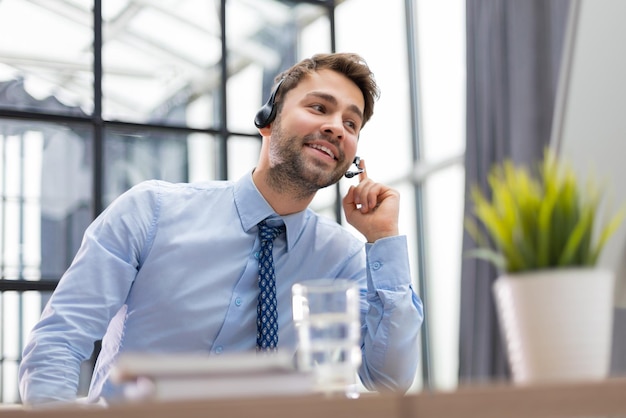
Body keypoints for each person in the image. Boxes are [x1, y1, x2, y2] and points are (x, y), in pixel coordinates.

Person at [18, 52, 423, 405]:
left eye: (351, 124)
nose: (337, 127)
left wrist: (383, 240)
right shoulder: (151, 211)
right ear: (268, 121)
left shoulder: (343, 259)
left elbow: (388, 380)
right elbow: (59, 340)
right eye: (319, 108)